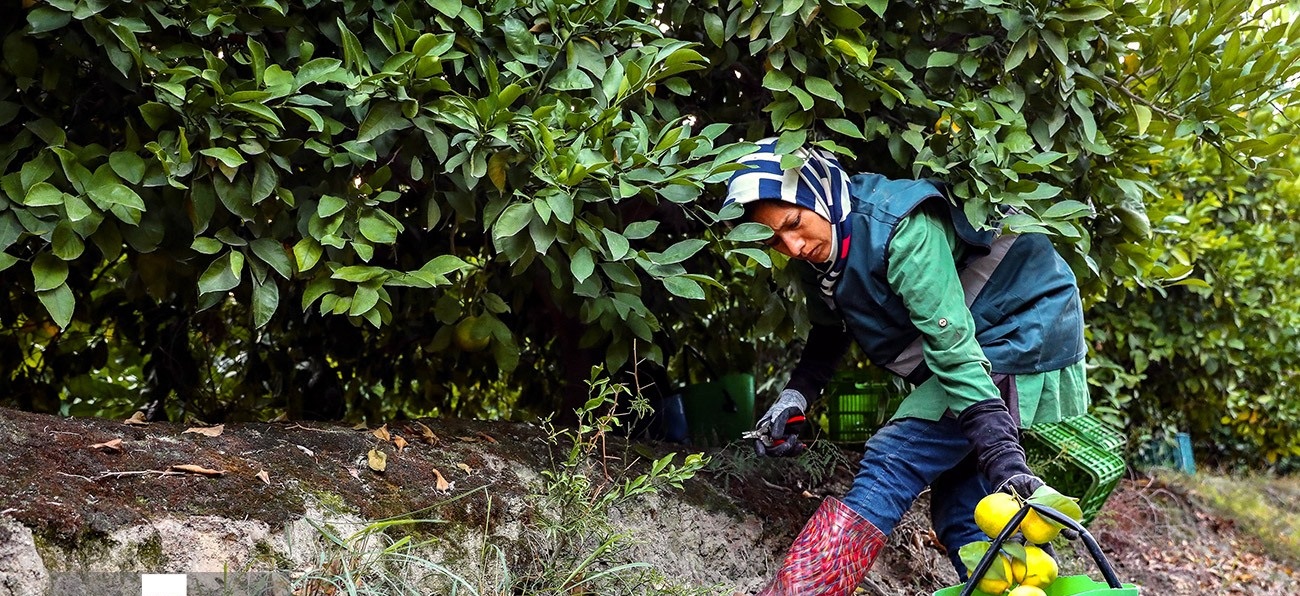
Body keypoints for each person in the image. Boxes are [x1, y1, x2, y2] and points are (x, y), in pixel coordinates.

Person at [725, 139, 1089, 596]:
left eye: (794, 224)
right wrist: (794, 397)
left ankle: (798, 592)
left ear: (821, 194)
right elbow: (830, 331)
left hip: (1020, 325)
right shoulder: (821, 255)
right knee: (962, 512)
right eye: (775, 239)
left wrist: (1003, 458)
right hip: (973, 343)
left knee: (893, 458)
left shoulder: (900, 228)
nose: (793, 245)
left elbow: (952, 346)